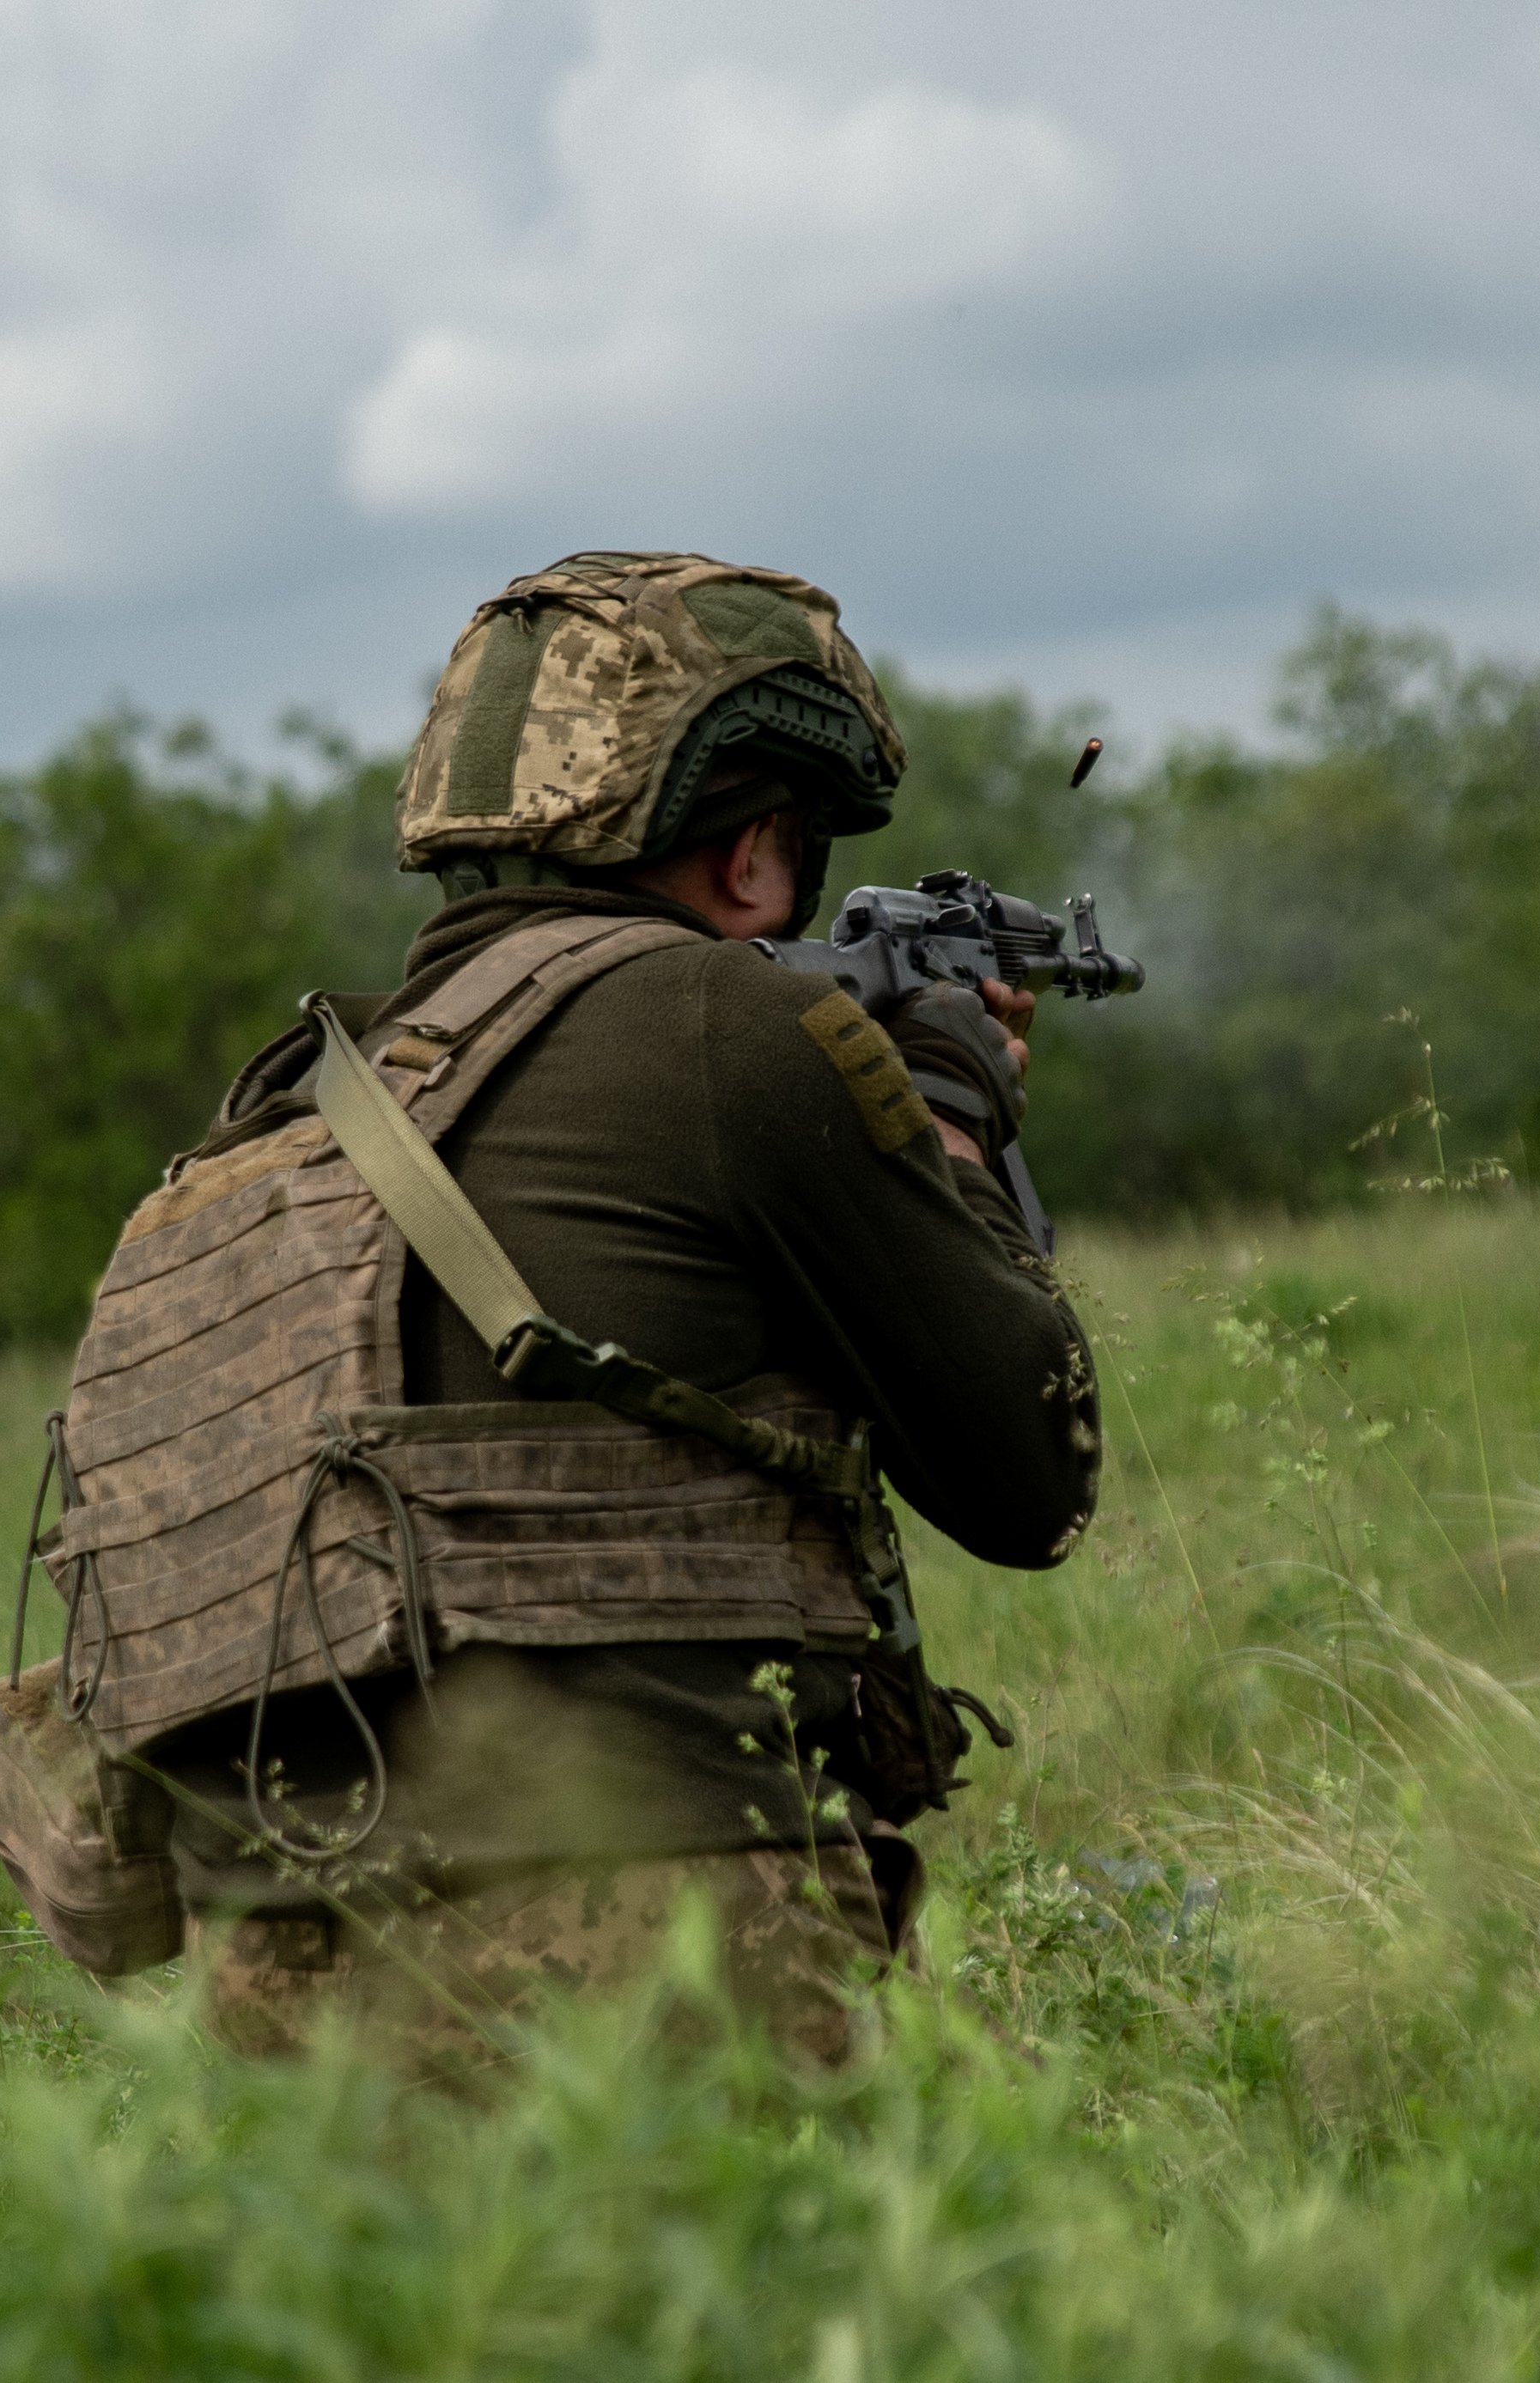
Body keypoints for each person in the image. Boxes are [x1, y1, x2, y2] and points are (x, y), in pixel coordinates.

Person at [140, 552, 1102, 2066]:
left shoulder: (266, 1126)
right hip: (666, 1945)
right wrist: (955, 1126)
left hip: (275, 1983)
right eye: (800, 850)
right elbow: (1029, 1481)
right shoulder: (740, 1028)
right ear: (751, 854)